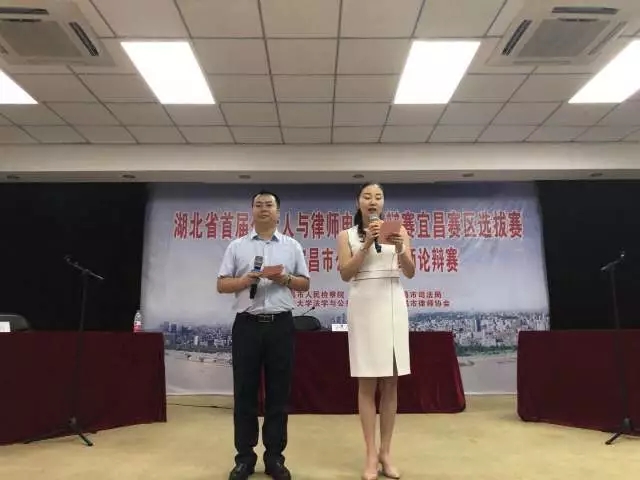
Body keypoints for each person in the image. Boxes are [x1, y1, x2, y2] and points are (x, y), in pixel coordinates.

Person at [217, 190, 311, 480]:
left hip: (281, 325)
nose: (263, 209)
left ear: (278, 212)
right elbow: (222, 284)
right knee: (244, 394)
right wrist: (245, 280)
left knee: (278, 395)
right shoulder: (237, 246)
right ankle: (244, 458)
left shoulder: (292, 246)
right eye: (258, 205)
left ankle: (274, 458)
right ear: (252, 211)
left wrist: (285, 278)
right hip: (247, 324)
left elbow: (304, 283)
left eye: (269, 205)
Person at [336, 182, 415, 480]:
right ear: (358, 202)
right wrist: (367, 244)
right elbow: (346, 273)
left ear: (383, 203)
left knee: (391, 382)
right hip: (364, 307)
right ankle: (370, 454)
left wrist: (400, 247)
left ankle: (386, 452)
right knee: (367, 383)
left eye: (378, 197)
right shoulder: (346, 235)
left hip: (392, 304)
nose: (373, 201)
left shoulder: (399, 230)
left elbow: (410, 271)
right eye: (367, 196)